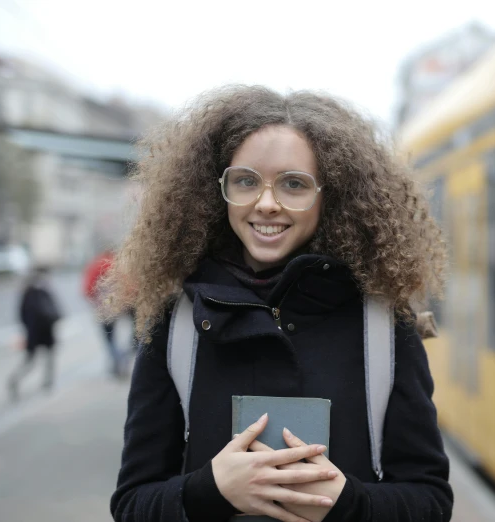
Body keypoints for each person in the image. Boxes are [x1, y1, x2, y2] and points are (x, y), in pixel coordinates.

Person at [101, 86, 452, 522]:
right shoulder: (176, 325)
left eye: (294, 184)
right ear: (217, 190)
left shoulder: (382, 326)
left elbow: (431, 502)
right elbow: (132, 503)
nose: (267, 204)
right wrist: (210, 490)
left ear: (331, 195)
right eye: (246, 181)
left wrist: (349, 504)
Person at [8, 265, 61, 400]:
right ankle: (20, 381)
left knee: (34, 360)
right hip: (43, 332)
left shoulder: (27, 293)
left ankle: (44, 382)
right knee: (41, 360)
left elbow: (21, 315)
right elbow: (53, 311)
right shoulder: (40, 292)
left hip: (34, 333)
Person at [84, 249, 131, 377]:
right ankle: (118, 362)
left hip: (102, 308)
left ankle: (118, 360)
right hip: (117, 307)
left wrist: (93, 300)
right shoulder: (117, 265)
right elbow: (128, 286)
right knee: (116, 335)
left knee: (108, 338)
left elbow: (87, 288)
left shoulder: (96, 265)